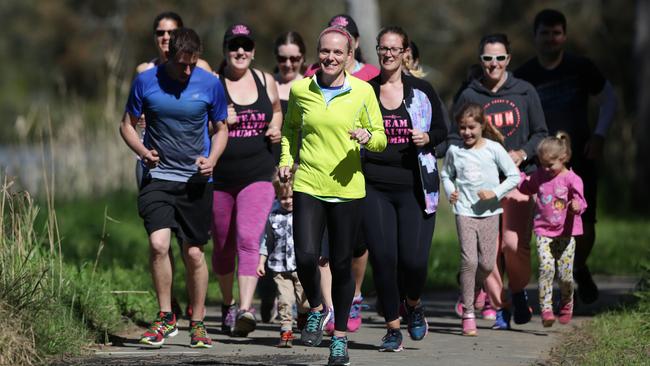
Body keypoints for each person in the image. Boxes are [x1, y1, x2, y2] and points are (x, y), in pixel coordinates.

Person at [279, 25, 386, 366]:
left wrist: (368, 137)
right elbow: (290, 131)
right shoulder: (301, 90)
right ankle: (315, 308)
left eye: (338, 52)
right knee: (306, 257)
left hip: (348, 189)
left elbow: (382, 137)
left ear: (349, 56)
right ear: (317, 52)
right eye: (325, 51)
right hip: (309, 183)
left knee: (341, 264)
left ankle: (339, 338)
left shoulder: (363, 92)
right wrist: (286, 160)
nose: (331, 57)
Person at [119, 28, 228, 348]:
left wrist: (214, 158)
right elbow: (126, 124)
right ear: (168, 57)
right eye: (182, 64)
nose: (188, 71)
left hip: (197, 180)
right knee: (158, 244)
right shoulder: (146, 81)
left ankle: (197, 323)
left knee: (194, 253)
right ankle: (166, 317)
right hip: (159, 176)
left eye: (193, 64)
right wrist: (142, 151)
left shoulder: (210, 83)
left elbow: (222, 129)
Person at [514, 9, 616, 304]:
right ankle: (563, 277)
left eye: (556, 33)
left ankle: (578, 267)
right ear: (535, 37)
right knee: (546, 223)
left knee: (585, 222)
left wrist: (600, 135)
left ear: (565, 36)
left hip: (581, 157)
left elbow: (610, 99)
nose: (550, 39)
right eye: (544, 33)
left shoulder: (581, 67)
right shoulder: (524, 76)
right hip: (540, 164)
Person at [453, 33, 548, 330]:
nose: (493, 64)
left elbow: (541, 133)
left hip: (518, 180)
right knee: (488, 250)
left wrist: (522, 152)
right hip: (481, 186)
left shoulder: (525, 91)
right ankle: (501, 306)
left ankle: (518, 292)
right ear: (480, 60)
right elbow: (457, 136)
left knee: (513, 243)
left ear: (508, 59)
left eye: (499, 58)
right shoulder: (470, 94)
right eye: (487, 58)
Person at [362, 26, 447, 351]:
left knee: (414, 262)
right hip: (374, 186)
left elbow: (441, 130)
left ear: (405, 53)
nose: (388, 54)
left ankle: (413, 303)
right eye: (383, 48)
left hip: (415, 186)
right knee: (383, 258)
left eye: (394, 49)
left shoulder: (422, 90)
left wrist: (428, 138)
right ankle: (392, 328)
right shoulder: (364, 91)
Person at [135, 11, 214, 321]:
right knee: (159, 239)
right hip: (152, 161)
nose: (165, 38)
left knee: (192, 248)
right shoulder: (145, 71)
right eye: (160, 33)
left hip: (192, 168)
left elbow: (214, 114)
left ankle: (197, 306)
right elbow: (132, 115)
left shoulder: (202, 69)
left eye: (171, 32)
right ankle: (169, 305)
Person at [211, 23, 283, 337]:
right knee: (224, 246)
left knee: (249, 238)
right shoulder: (213, 83)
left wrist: (275, 126)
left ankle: (245, 309)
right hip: (221, 177)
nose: (241, 51)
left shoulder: (265, 79)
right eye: (234, 45)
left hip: (258, 173)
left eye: (247, 46)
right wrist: (217, 120)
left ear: (253, 51)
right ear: (226, 50)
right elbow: (196, 123)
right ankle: (228, 305)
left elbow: (278, 109)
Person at [441, 103, 520, 336]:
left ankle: (475, 287)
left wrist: (495, 193)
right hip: (464, 211)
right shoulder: (455, 151)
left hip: (490, 213)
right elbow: (447, 174)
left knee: (486, 263)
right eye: (462, 128)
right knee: (469, 261)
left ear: (482, 125)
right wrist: (450, 191)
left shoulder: (494, 149)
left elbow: (513, 176)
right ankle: (468, 313)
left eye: (471, 127)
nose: (466, 132)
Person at [518, 132, 586, 327]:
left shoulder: (572, 179)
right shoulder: (540, 175)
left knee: (565, 276)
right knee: (546, 269)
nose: (546, 169)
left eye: (550, 165)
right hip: (543, 232)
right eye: (542, 164)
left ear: (563, 158)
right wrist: (516, 175)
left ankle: (566, 303)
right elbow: (527, 187)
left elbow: (581, 201)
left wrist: (576, 206)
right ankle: (546, 309)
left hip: (566, 233)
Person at [256, 170, 309, 347]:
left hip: (301, 266)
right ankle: (286, 331)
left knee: (305, 300)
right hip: (280, 267)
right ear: (277, 197)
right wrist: (261, 261)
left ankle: (303, 316)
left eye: (292, 197)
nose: (288, 202)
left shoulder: (305, 214)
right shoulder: (273, 216)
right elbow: (266, 240)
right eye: (283, 198)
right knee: (285, 300)